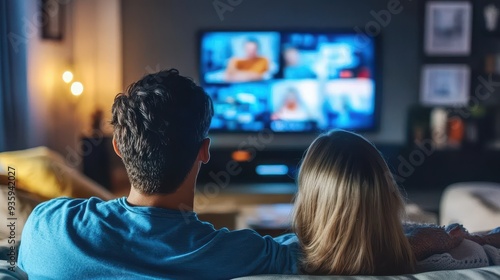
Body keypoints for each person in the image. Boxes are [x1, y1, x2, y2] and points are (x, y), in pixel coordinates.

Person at [18, 69, 298, 279]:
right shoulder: (239, 254)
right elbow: (312, 254)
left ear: (118, 147)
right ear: (204, 151)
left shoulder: (47, 225)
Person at [292, 129, 500, 276]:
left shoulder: (293, 255)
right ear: (388, 195)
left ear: (307, 202)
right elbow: (470, 243)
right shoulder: (433, 252)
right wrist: (480, 240)